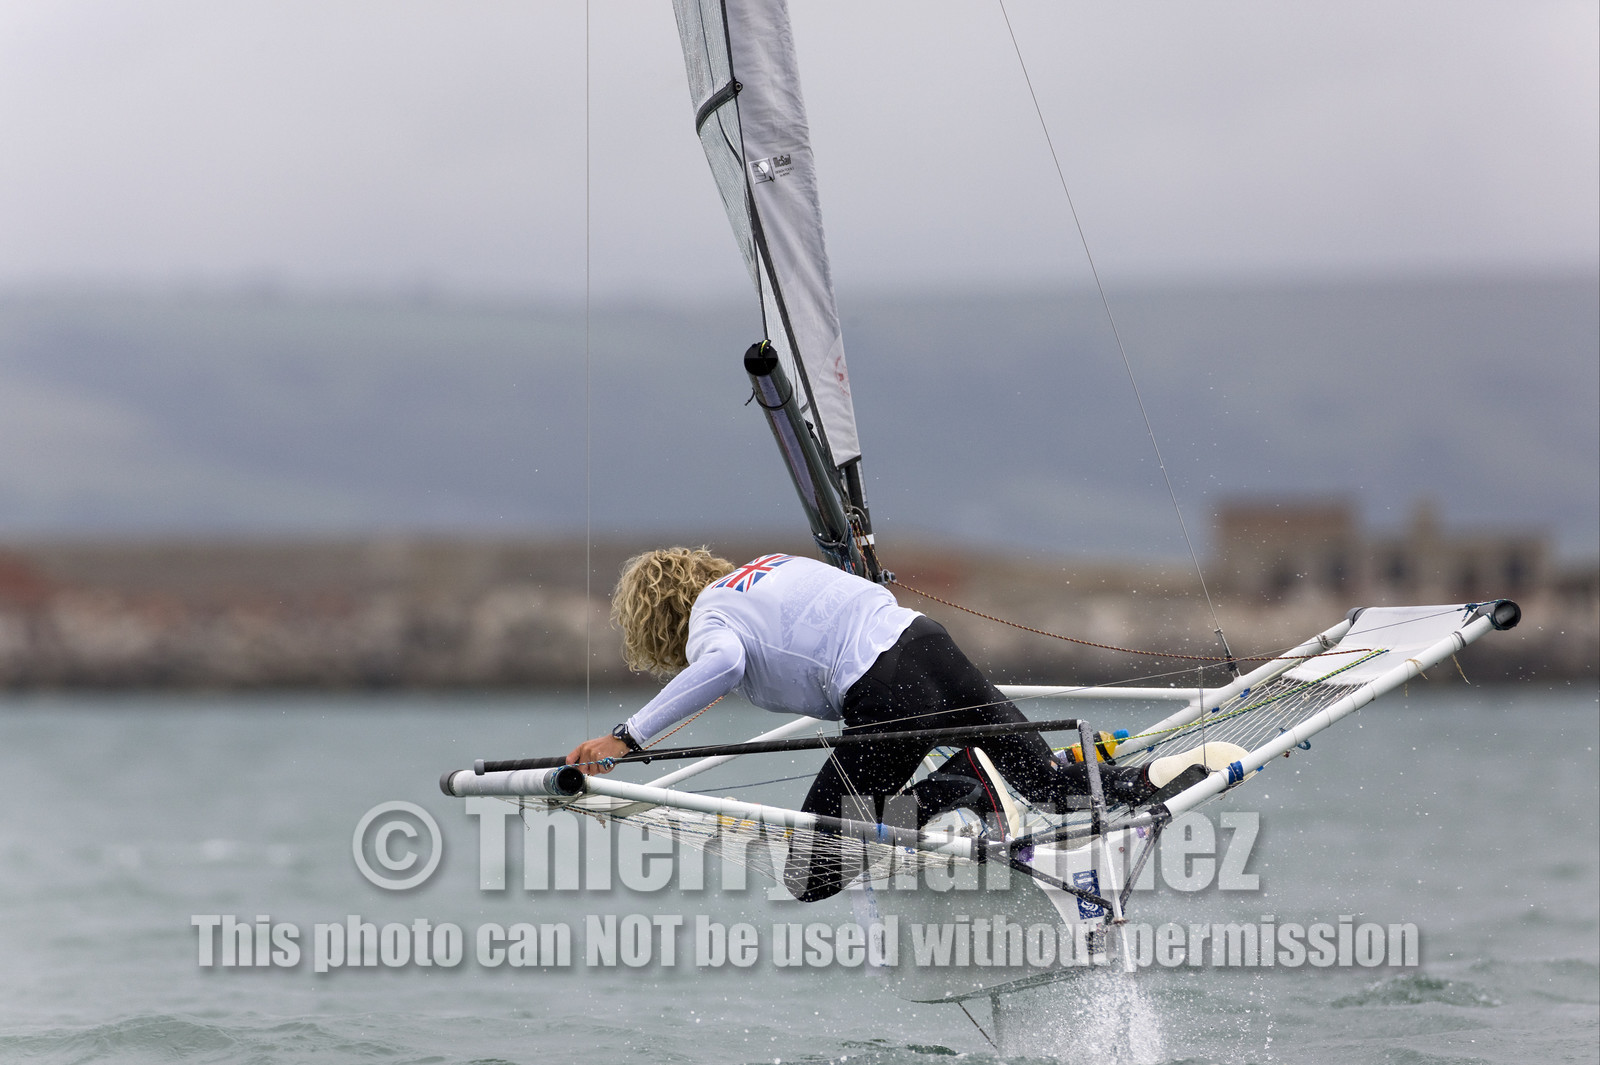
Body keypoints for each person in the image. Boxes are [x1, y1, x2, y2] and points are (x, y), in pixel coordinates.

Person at [566, 547, 1173, 902]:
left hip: (890, 695)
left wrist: (627, 737)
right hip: (931, 644)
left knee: (812, 874)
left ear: (658, 613)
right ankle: (1151, 777)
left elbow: (724, 663)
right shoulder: (772, 566)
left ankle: (959, 784)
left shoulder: (712, 614)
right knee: (1046, 784)